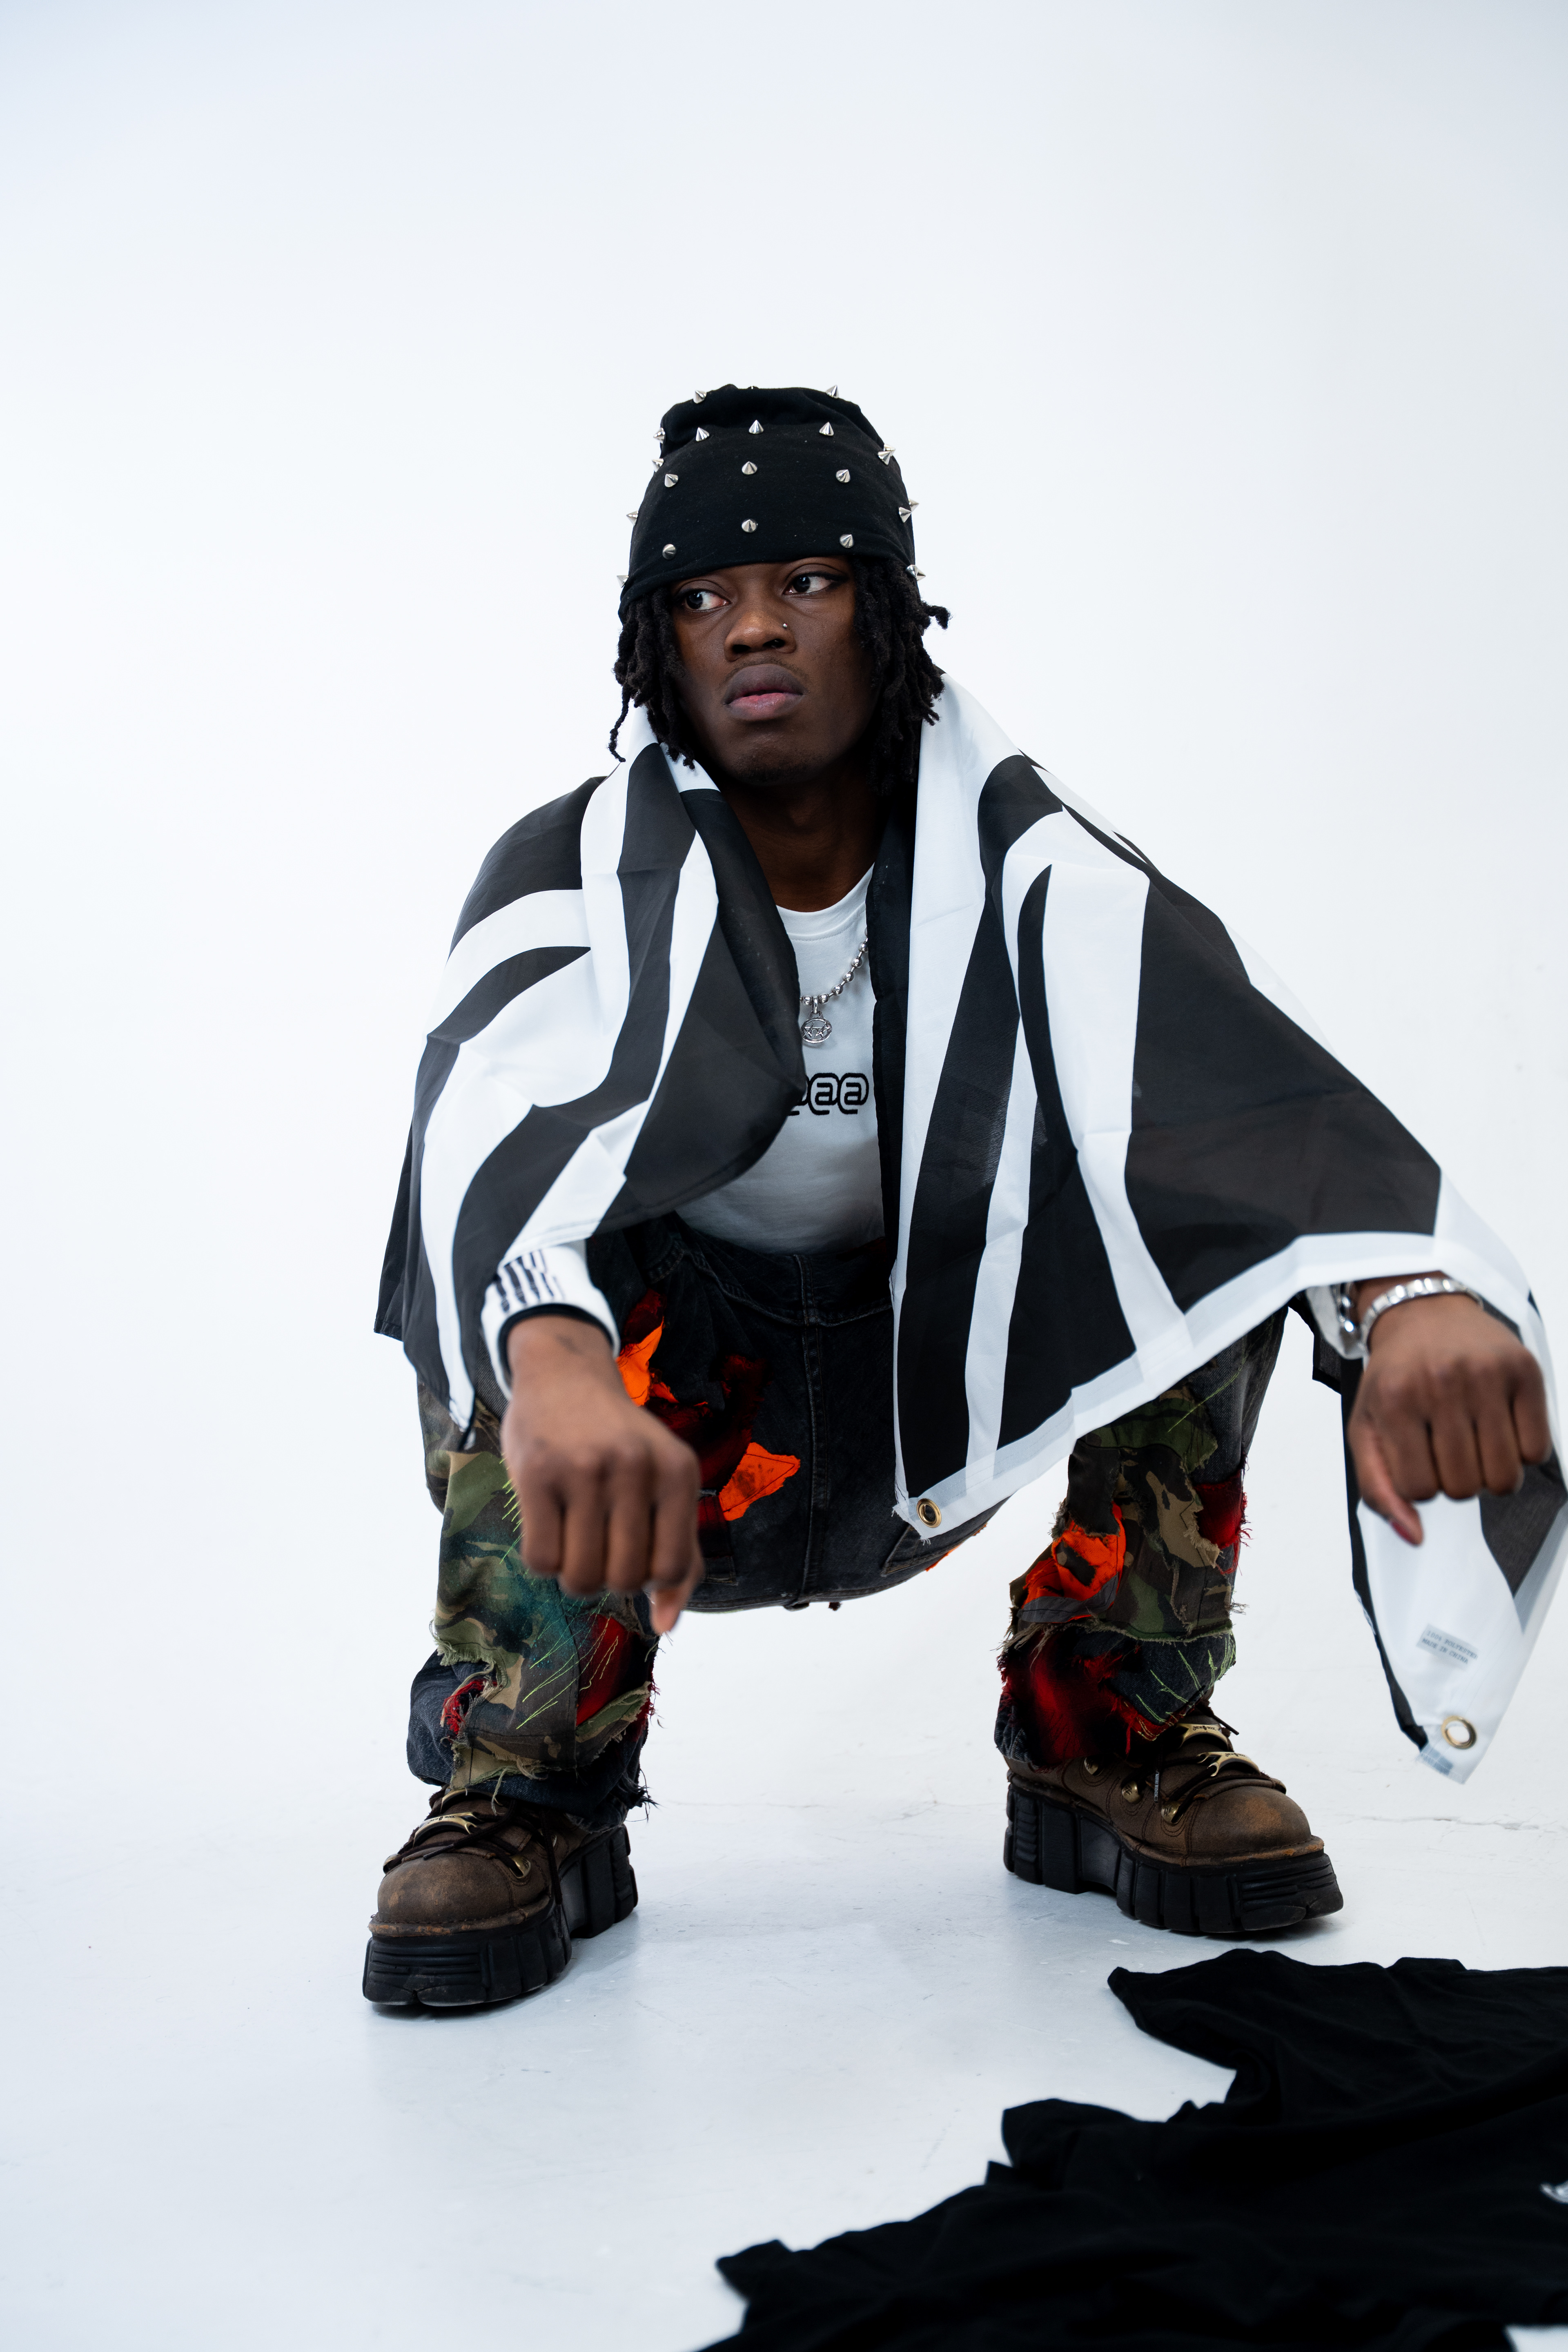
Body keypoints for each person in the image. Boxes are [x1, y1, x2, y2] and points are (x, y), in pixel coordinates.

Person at [364, 384, 1562, 2007]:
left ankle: (1109, 1724)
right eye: (703, 596)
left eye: (807, 580)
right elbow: (486, 1157)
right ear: (658, 644)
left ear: (887, 611)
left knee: (1201, 1202)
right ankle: (529, 1778)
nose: (753, 627)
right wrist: (557, 1364)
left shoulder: (1037, 863)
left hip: (935, 1383)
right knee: (493, 1253)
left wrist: (1411, 1294)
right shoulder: (563, 871)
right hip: (656, 1431)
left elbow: (1246, 1096)